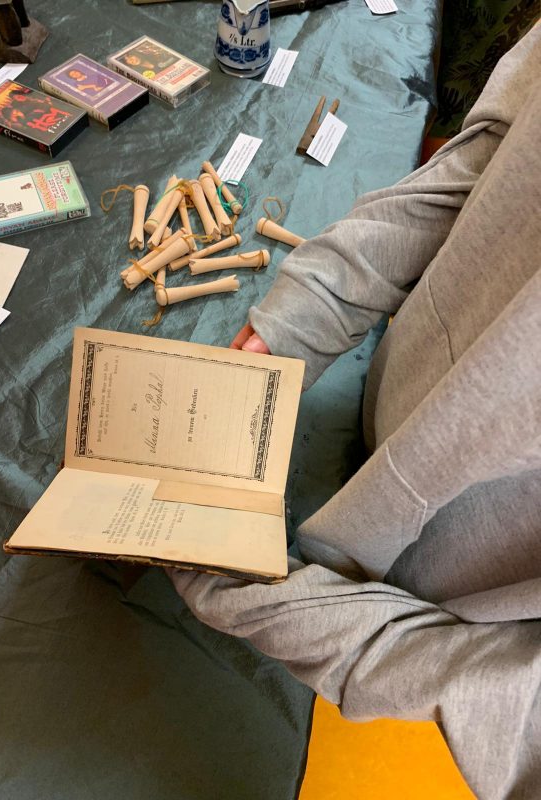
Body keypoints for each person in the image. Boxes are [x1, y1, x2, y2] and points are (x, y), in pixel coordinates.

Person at [169, 24, 541, 800]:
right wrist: (290, 329)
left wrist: (264, 605)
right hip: (384, 427)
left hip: (443, 615)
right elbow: (486, 165)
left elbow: (517, 707)